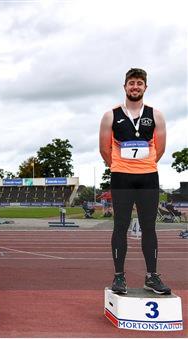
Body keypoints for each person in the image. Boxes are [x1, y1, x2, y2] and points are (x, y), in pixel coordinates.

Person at [99, 68, 170, 295]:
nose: (135, 87)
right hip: (121, 177)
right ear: (125, 87)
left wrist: (143, 166)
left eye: (139, 83)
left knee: (149, 228)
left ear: (145, 87)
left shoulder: (156, 115)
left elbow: (160, 148)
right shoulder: (111, 115)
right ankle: (119, 277)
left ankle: (152, 276)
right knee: (120, 226)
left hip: (148, 178)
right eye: (131, 83)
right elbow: (103, 149)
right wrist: (122, 167)